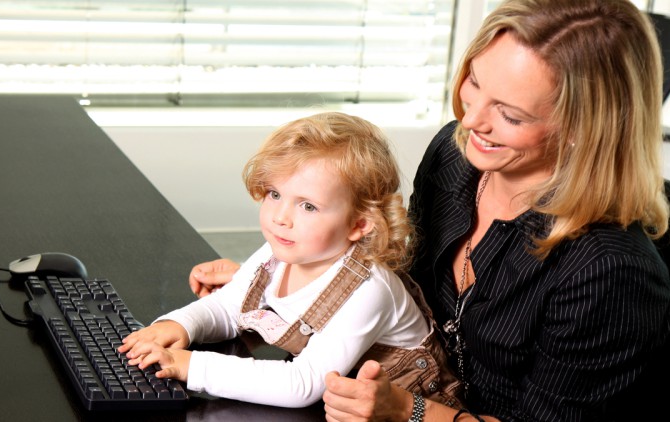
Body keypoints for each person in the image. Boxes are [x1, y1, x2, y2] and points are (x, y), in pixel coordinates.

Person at [188, 0, 670, 420]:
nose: (473, 119)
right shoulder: (456, 157)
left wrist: (406, 411)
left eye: (510, 114)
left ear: (584, 129)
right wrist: (297, 284)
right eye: (474, 83)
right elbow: (393, 276)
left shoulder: (609, 271)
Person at [119, 112, 463, 408]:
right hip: (342, 401)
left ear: (359, 224)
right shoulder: (282, 251)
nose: (280, 217)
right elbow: (228, 306)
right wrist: (178, 326)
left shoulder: (369, 289)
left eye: (308, 205)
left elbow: (301, 384)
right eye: (274, 194)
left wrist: (191, 366)